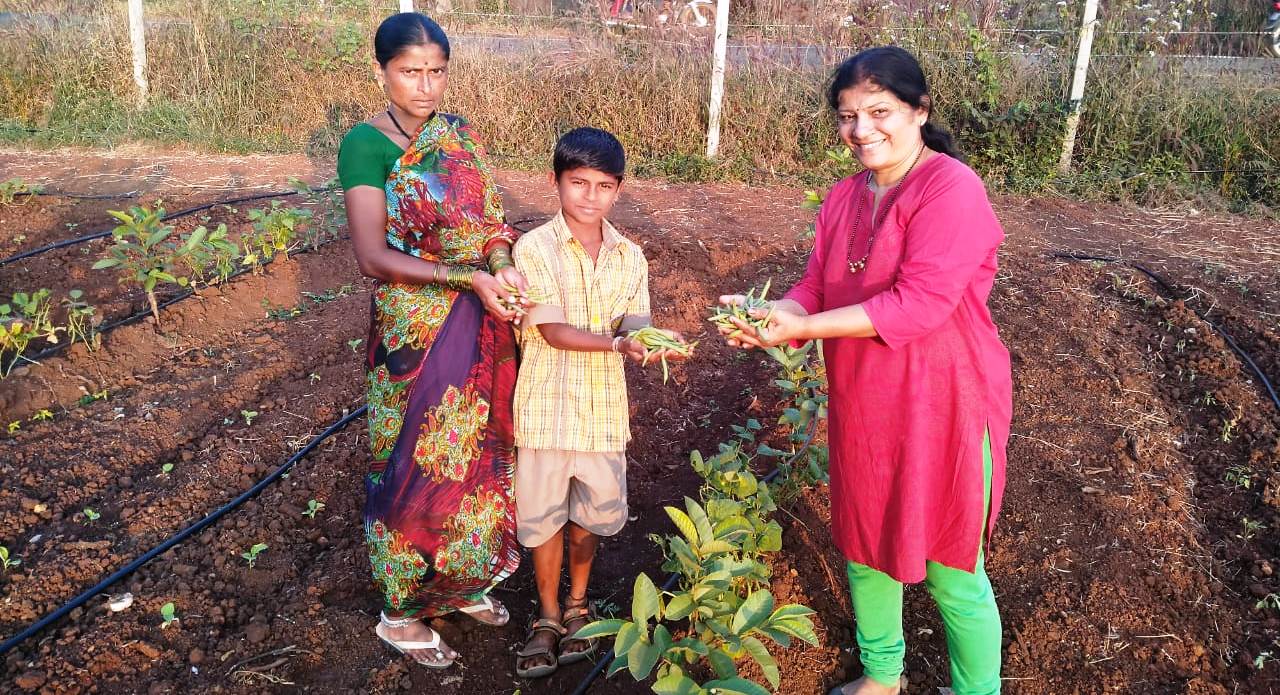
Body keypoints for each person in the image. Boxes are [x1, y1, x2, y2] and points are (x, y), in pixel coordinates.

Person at [717, 46, 1012, 695]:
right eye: (848, 116)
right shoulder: (845, 196)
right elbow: (816, 285)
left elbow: (920, 304)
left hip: (943, 404)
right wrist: (776, 312)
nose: (862, 130)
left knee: (952, 568)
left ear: (919, 110)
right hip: (865, 400)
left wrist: (801, 329)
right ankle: (882, 674)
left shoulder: (951, 188)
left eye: (880, 112)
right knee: (865, 544)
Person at [336, 12, 528, 669]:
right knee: (412, 464)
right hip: (413, 333)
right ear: (382, 71)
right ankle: (401, 610)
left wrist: (501, 266)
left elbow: (491, 222)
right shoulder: (365, 145)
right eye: (410, 72)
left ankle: (461, 581)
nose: (425, 86)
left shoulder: (458, 135)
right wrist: (467, 277)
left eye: (437, 72)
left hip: (481, 317)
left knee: (475, 456)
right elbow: (372, 255)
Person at [509, 127, 685, 678]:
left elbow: (635, 321)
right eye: (578, 182)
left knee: (588, 519)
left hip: (602, 414)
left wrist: (650, 339)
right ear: (556, 181)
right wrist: (618, 343)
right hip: (545, 410)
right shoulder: (533, 248)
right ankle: (546, 614)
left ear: (618, 189)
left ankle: (578, 603)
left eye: (603, 186)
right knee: (544, 521)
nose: (590, 196)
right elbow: (553, 331)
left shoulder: (630, 257)